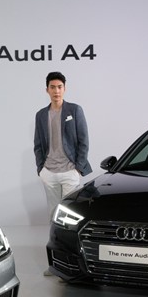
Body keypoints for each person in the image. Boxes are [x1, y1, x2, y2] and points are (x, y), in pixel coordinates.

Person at [34, 71, 92, 221]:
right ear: (47, 90)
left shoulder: (75, 110)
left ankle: (67, 238)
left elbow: (84, 141)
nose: (56, 91)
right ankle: (55, 236)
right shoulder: (41, 115)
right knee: (53, 213)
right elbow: (38, 144)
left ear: (64, 88)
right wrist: (41, 169)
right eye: (52, 87)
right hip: (49, 172)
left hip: (70, 171)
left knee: (70, 212)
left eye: (59, 87)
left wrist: (78, 168)